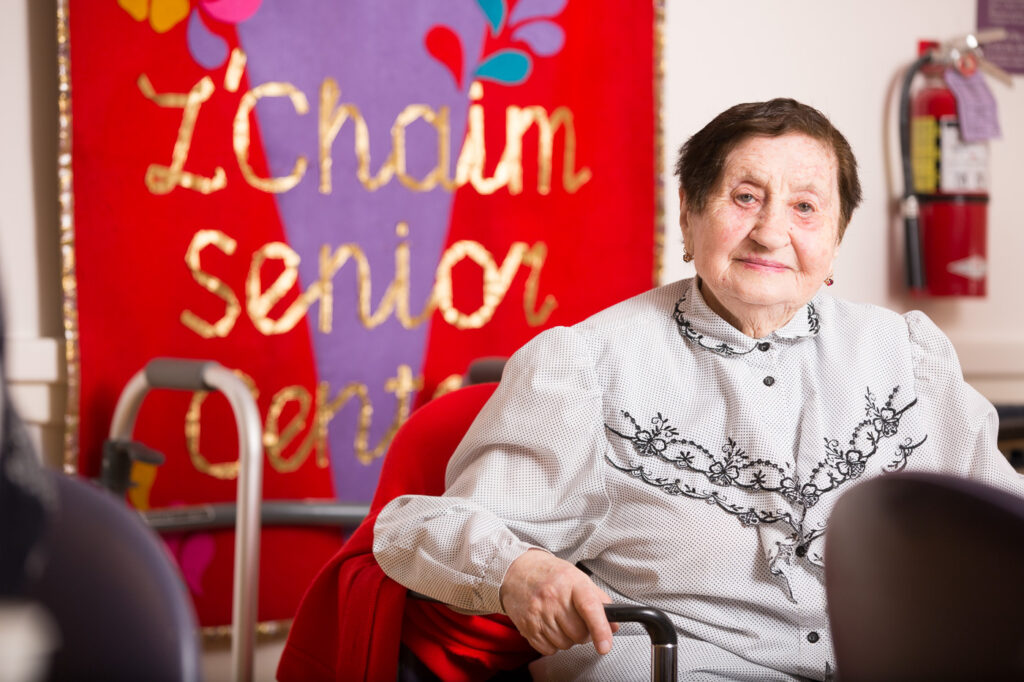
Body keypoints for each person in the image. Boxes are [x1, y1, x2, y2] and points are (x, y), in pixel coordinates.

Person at [372, 98, 1024, 680]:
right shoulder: (586, 365)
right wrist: (520, 573)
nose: (772, 232)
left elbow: (999, 523)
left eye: (804, 207)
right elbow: (419, 527)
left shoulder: (905, 353)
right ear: (688, 216)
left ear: (835, 237)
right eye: (745, 198)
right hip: (680, 664)